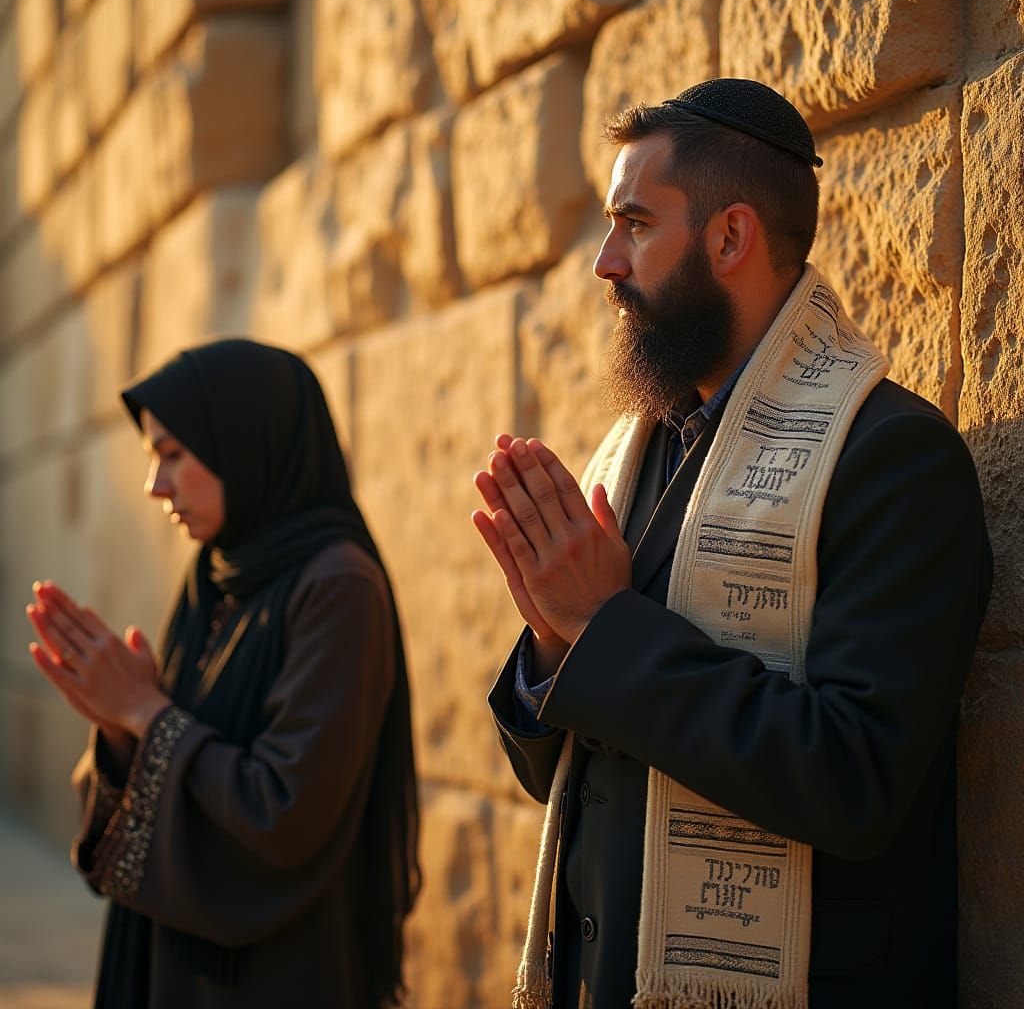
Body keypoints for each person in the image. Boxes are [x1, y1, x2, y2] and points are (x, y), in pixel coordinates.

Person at [474, 79, 992, 1009]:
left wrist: (602, 623)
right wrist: (558, 642)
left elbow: (854, 778)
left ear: (729, 238)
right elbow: (565, 774)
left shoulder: (891, 459)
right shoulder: (637, 455)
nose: (603, 261)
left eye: (635, 223)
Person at [25, 339, 420, 1008]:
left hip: (273, 977)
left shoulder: (337, 587)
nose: (156, 486)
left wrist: (146, 712)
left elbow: (286, 815)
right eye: (154, 456)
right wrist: (120, 726)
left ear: (246, 439)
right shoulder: (217, 573)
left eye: (174, 453)